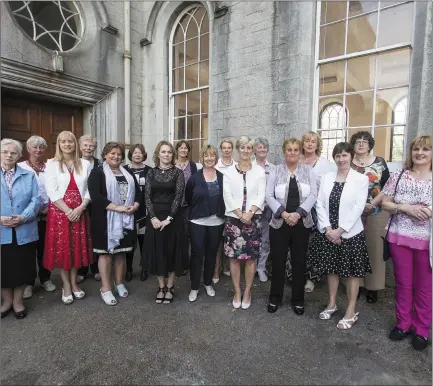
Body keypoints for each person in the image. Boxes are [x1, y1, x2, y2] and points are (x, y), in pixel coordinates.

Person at [309, 142, 371, 329]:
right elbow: (319, 203)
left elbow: (358, 207)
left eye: (344, 155)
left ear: (351, 156)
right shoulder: (327, 178)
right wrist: (328, 229)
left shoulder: (361, 179)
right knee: (332, 269)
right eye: (337, 156)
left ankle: (351, 310)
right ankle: (332, 303)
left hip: (350, 233)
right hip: (328, 232)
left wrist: (340, 230)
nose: (341, 159)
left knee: (351, 273)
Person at [381, 135, 432, 351]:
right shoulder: (399, 175)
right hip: (400, 236)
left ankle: (422, 329)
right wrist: (406, 208)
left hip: (427, 241)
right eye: (416, 149)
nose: (420, 153)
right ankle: (402, 324)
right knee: (403, 283)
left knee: (425, 287)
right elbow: (385, 203)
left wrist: (428, 211)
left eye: (426, 149)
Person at [266, 138, 317, 315]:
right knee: (278, 262)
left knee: (299, 262)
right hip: (280, 222)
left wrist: (298, 213)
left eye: (296, 150)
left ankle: (298, 300)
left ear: (300, 152)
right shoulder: (275, 171)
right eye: (289, 150)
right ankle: (275, 298)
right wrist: (285, 213)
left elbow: (313, 194)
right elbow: (269, 196)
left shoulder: (308, 171)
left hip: (301, 222)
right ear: (284, 152)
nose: (293, 153)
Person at [88, 142, 141, 306]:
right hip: (105, 220)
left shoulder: (128, 173)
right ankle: (105, 288)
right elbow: (95, 196)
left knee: (120, 253)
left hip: (125, 218)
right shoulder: (97, 173)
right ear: (105, 155)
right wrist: (117, 207)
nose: (116, 156)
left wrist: (135, 205)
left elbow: (138, 193)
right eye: (112, 153)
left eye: (118, 154)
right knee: (105, 254)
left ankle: (119, 283)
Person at [43, 131, 93, 305]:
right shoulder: (52, 164)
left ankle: (74, 284)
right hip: (60, 213)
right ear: (58, 144)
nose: (67, 144)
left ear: (75, 144)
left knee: (76, 249)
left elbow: (89, 189)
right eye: (63, 142)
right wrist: (67, 211)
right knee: (64, 250)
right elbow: (52, 191)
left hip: (80, 211)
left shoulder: (85, 164)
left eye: (70, 141)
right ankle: (66, 285)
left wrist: (80, 208)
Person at [223, 136, 266, 309]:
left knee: (250, 259)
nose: (246, 151)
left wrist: (249, 213)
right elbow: (227, 195)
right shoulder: (229, 172)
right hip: (234, 220)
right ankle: (237, 291)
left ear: (252, 150)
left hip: (253, 220)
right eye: (242, 147)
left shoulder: (259, 171)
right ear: (238, 150)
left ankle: (247, 291)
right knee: (234, 258)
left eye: (249, 148)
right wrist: (240, 214)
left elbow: (261, 194)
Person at [1, 139, 41, 319]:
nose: (9, 155)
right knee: (3, 269)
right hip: (2, 231)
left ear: (19, 155)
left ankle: (18, 302)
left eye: (13, 153)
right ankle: (6, 302)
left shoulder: (28, 175)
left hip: (23, 230)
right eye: (5, 152)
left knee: (21, 268)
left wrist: (23, 217)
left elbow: (36, 200)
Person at [142, 141, 185, 304]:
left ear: (172, 155)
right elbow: (147, 196)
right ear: (158, 154)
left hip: (172, 218)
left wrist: (169, 219)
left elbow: (178, 197)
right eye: (164, 152)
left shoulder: (178, 173)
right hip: (154, 218)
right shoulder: (151, 173)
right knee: (158, 251)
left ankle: (171, 286)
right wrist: (152, 217)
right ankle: (161, 287)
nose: (166, 155)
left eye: (169, 152)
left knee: (172, 252)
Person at [350, 131, 390, 303]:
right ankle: (355, 285)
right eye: (357, 141)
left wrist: (372, 203)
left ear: (370, 145)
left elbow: (388, 186)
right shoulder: (347, 163)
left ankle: (373, 287)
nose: (361, 144)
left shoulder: (380, 162)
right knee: (354, 249)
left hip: (377, 210)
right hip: (352, 212)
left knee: (375, 249)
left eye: (364, 141)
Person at [185, 145, 225, 302]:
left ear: (216, 158)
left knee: (211, 254)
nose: (209, 158)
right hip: (197, 222)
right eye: (206, 156)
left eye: (212, 156)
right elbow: (188, 197)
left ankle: (208, 283)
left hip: (216, 222)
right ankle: (194, 287)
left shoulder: (221, 177)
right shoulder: (194, 177)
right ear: (202, 158)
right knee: (196, 254)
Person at [18, 136, 56, 299]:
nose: (38, 150)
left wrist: (50, 207)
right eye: (34, 147)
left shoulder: (50, 168)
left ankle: (46, 278)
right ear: (28, 149)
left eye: (41, 147)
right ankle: (28, 283)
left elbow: (55, 189)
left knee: (45, 249)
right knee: (28, 251)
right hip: (27, 216)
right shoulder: (20, 167)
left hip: (48, 214)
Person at [299, 131, 332, 292]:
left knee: (314, 245)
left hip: (316, 210)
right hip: (297, 209)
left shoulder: (325, 164)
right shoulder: (296, 161)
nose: (310, 144)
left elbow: (328, 188)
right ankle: (297, 275)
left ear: (318, 145)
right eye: (307, 141)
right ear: (302, 144)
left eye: (313, 141)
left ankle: (310, 279)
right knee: (298, 245)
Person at [77, 135, 102, 283]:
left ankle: (96, 268)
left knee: (95, 237)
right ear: (80, 146)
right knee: (81, 238)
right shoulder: (75, 163)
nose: (88, 148)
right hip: (80, 206)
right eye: (85, 145)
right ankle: (81, 270)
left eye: (91, 146)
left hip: (96, 206)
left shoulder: (100, 164)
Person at [124, 144, 151, 282]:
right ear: (131, 154)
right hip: (129, 210)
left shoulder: (150, 171)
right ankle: (128, 269)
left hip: (145, 210)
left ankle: (144, 268)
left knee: (144, 242)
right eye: (135, 152)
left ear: (144, 155)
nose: (137, 155)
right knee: (129, 241)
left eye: (140, 152)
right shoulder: (123, 170)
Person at [213, 138, 237, 282]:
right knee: (218, 241)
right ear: (221, 150)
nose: (227, 150)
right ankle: (216, 270)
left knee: (230, 238)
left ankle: (227, 266)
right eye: (224, 147)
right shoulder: (216, 166)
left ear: (232, 149)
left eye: (229, 147)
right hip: (219, 206)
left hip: (233, 208)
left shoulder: (237, 166)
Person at [252, 137, 275, 283]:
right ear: (254, 150)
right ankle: (251, 267)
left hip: (268, 210)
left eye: (264, 147)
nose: (262, 150)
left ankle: (261, 268)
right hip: (253, 210)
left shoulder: (273, 168)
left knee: (265, 241)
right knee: (253, 240)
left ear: (268, 150)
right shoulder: (250, 166)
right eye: (259, 147)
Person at [175, 140, 198, 276]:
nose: (183, 150)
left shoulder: (193, 165)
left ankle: (187, 263)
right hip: (175, 206)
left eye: (185, 148)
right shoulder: (172, 165)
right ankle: (178, 264)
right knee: (177, 235)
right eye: (181, 148)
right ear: (177, 150)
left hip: (189, 205)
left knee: (188, 235)